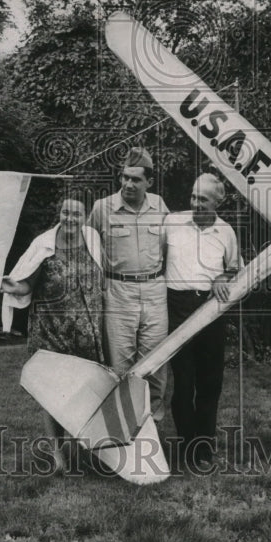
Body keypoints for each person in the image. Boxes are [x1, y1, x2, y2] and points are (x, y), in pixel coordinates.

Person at [0, 196, 105, 472]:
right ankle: (58, 456)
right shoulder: (44, 243)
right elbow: (26, 285)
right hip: (50, 329)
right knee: (51, 391)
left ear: (85, 217)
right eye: (65, 212)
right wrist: (8, 286)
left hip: (85, 330)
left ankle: (78, 450)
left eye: (77, 214)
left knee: (82, 391)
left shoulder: (93, 238)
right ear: (60, 213)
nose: (70, 218)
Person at [164, 172, 241, 469]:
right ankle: (187, 446)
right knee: (184, 382)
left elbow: (234, 268)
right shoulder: (171, 223)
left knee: (210, 382)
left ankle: (204, 448)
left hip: (211, 308)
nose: (196, 203)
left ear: (218, 202)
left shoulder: (226, 232)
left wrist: (223, 276)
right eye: (194, 196)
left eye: (203, 199)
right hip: (178, 306)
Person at [87, 147, 169, 422]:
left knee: (156, 360)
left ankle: (152, 424)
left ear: (149, 182)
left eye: (135, 179)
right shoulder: (102, 208)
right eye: (125, 178)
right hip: (118, 292)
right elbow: (87, 248)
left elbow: (173, 248)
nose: (128, 184)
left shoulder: (160, 206)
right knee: (120, 363)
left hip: (155, 291)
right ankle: (120, 430)